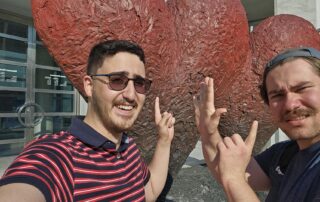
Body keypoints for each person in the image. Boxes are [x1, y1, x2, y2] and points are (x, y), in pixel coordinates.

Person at [0, 39, 175, 201]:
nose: (131, 95)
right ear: (89, 86)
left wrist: (164, 140)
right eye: (116, 80)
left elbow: (149, 191)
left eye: (138, 83)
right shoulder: (57, 155)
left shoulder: (128, 147)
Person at [194, 47, 320, 201]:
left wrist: (234, 180)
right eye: (277, 95)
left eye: (302, 88)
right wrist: (208, 133)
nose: (290, 105)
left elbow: (234, 177)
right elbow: (236, 171)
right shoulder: (285, 153)